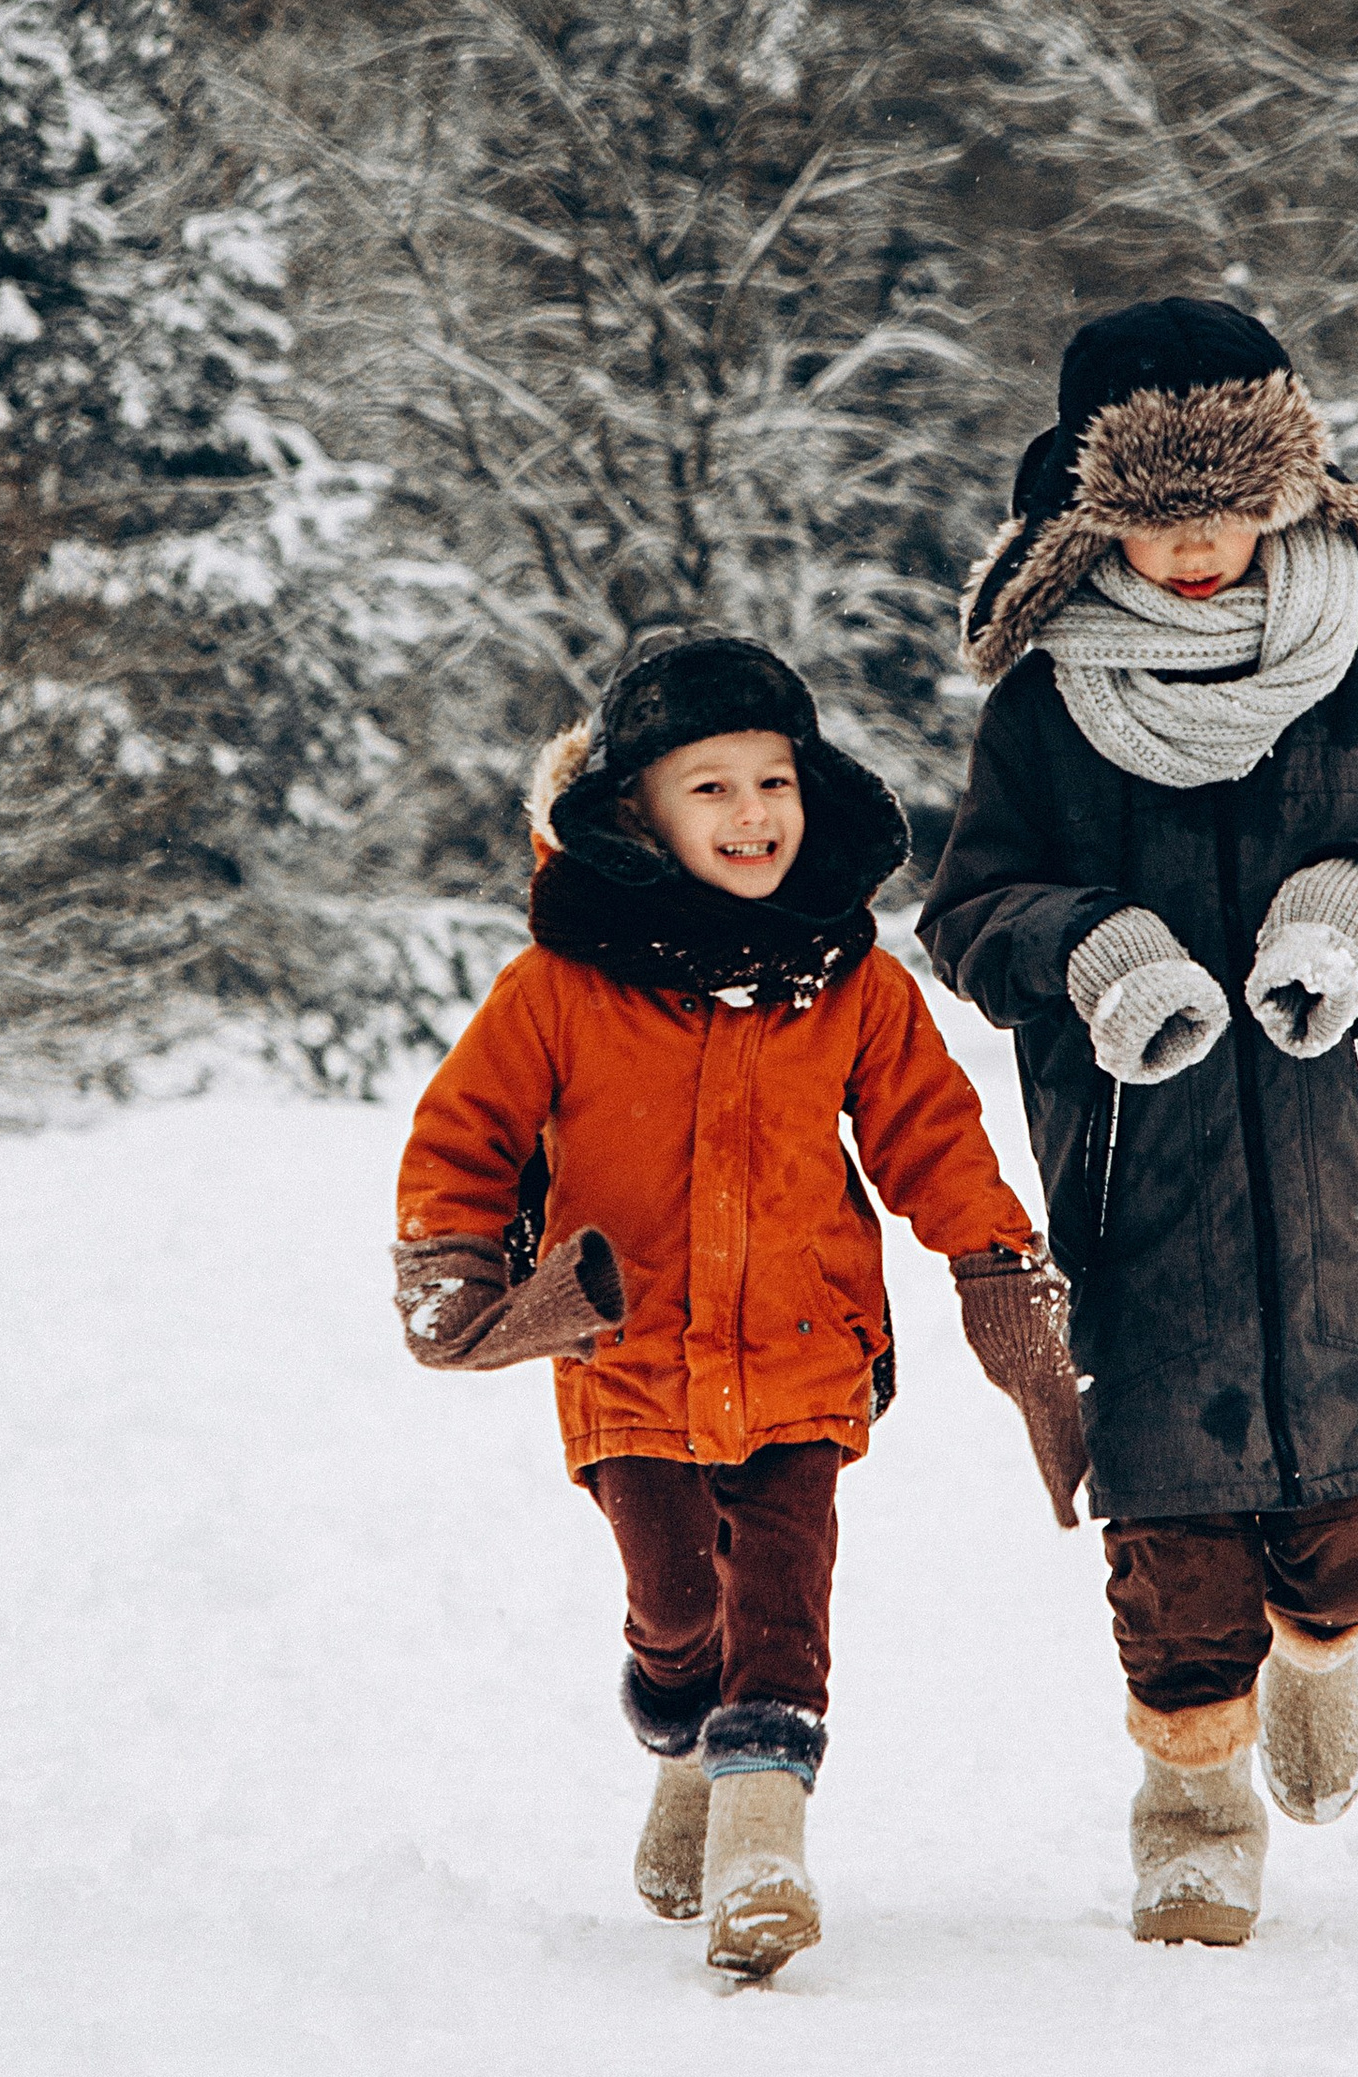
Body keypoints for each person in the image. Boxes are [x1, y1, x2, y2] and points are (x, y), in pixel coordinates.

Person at [919, 299, 1358, 1946]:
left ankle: (1323, 1650)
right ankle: (1191, 1803)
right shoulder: (1043, 705)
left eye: (1226, 511)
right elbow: (969, 910)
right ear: (1092, 509)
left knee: (1348, 1538)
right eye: (1158, 519)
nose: (1195, 549)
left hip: (1352, 1175)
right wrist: (1089, 953)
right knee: (1171, 1540)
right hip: (1139, 1175)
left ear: (1287, 492)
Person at [393, 632, 1081, 1981]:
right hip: (629, 1361)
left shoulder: (852, 983)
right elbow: (464, 1136)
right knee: (672, 1610)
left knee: (783, 1608)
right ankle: (681, 1745)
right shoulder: (559, 988)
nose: (753, 815)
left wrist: (996, 1266)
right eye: (710, 789)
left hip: (805, 1356)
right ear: (635, 813)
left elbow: (932, 1139)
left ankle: (762, 1852)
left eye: (775, 782)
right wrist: (456, 1266)